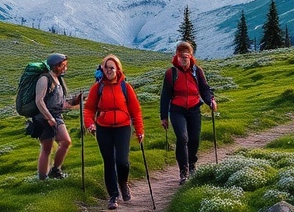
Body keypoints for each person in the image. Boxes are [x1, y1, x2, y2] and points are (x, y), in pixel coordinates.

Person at [83, 54, 144, 210]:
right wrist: (89, 123)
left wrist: (139, 130)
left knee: (122, 161)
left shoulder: (126, 87)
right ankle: (113, 195)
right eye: (106, 67)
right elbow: (89, 108)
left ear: (118, 69)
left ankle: (123, 182)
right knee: (109, 161)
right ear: (102, 69)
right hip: (103, 128)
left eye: (112, 68)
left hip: (123, 127)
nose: (109, 70)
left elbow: (135, 110)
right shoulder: (98, 88)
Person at [159, 41, 216, 185]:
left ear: (190, 56)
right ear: (176, 57)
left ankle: (192, 165)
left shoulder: (197, 71)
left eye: (186, 56)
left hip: (194, 109)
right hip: (177, 110)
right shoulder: (171, 73)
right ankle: (183, 171)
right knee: (183, 138)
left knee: (194, 139)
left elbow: (204, 89)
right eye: (181, 56)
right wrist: (164, 117)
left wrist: (210, 101)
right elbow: (165, 96)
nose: (183, 59)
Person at [35, 52, 81, 179]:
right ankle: (42, 178)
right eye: (63, 65)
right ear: (56, 65)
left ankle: (55, 170)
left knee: (66, 142)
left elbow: (60, 104)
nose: (65, 68)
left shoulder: (59, 80)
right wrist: (49, 117)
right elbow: (39, 101)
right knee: (47, 148)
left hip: (56, 117)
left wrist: (75, 102)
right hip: (43, 118)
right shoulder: (44, 79)